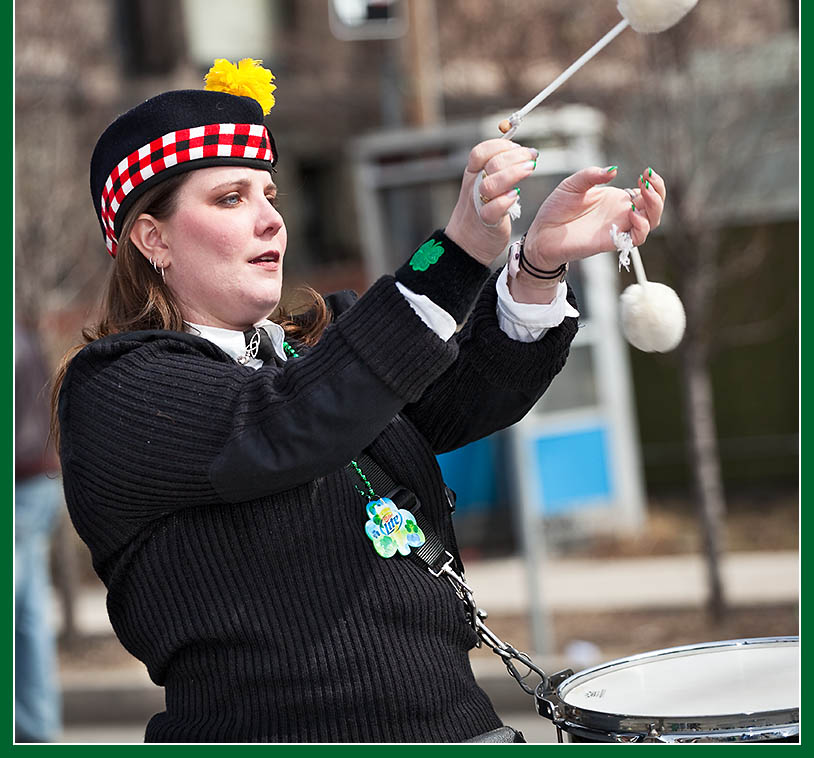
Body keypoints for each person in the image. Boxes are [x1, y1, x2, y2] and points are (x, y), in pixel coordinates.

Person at [53, 58, 666, 743]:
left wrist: (538, 265)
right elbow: (289, 420)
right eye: (231, 198)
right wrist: (457, 250)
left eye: (270, 194)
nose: (271, 222)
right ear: (152, 237)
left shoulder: (319, 349)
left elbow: (465, 395)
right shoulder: (116, 390)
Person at [16, 323, 63, 743]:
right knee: (28, 611)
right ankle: (36, 724)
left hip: (18, 486)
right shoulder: (23, 335)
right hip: (40, 478)